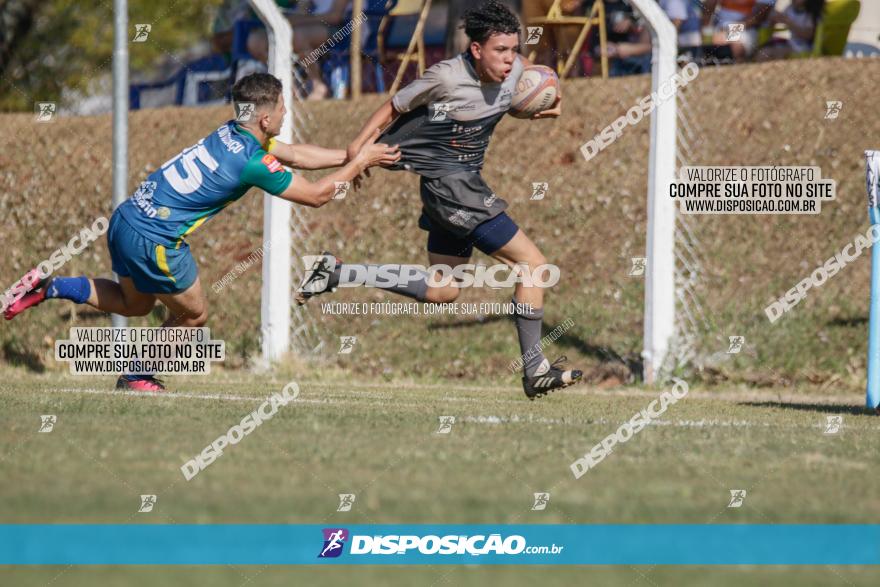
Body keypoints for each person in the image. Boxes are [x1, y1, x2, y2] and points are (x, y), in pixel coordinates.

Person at [4, 73, 400, 391]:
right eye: (282, 108)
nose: (284, 114)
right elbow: (315, 196)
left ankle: (50, 287)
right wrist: (360, 161)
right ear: (265, 119)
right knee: (194, 315)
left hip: (126, 219)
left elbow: (295, 154)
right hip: (154, 238)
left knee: (136, 304)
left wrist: (353, 158)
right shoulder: (251, 160)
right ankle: (137, 375)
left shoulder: (231, 131)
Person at [296, 0, 583, 400]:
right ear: (477, 49)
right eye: (500, 50)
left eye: (514, 49)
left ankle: (336, 272)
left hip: (456, 187)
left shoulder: (517, 72)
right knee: (532, 265)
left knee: (442, 290)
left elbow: (498, 104)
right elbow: (393, 107)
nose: (510, 59)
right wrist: (358, 150)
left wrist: (531, 109)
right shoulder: (445, 78)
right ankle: (534, 369)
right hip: (453, 188)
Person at [703, 0, 776, 60]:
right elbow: (709, 7)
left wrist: (729, 31)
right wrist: (706, 32)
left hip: (749, 29)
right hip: (721, 29)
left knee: (732, 47)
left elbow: (758, 17)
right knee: (710, 46)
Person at [755, 0, 824, 61]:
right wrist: (774, 18)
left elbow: (807, 35)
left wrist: (788, 22)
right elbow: (778, 18)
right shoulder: (791, 8)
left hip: (803, 48)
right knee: (762, 50)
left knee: (766, 53)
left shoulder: (811, 14)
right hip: (791, 43)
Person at [600, 1, 652, 76]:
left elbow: (654, 47)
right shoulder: (628, 8)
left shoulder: (650, 12)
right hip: (624, 62)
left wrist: (625, 49)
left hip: (643, 66)